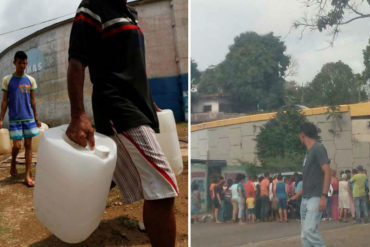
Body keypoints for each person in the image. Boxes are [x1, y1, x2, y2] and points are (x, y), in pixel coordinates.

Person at [66, 1, 179, 246]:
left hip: (139, 107)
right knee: (163, 189)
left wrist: (151, 102)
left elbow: (134, 65)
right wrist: (78, 115)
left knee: (109, 177)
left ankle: (69, 213)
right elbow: (76, 62)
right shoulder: (93, 7)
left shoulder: (130, 13)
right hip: (117, 108)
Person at [0, 51, 41, 187]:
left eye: (24, 63)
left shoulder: (31, 80)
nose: (22, 66)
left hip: (28, 118)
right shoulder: (7, 80)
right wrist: (1, 118)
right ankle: (13, 163)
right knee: (17, 146)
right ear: (14, 63)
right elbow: (5, 101)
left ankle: (27, 176)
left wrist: (36, 118)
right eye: (20, 63)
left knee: (28, 145)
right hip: (15, 119)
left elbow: (33, 100)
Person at [289, 122, 331, 247]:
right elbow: (308, 180)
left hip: (315, 197)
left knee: (309, 231)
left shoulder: (318, 148)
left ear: (302, 134)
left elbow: (327, 172)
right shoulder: (308, 153)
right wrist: (296, 195)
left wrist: (323, 196)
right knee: (304, 235)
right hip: (305, 198)